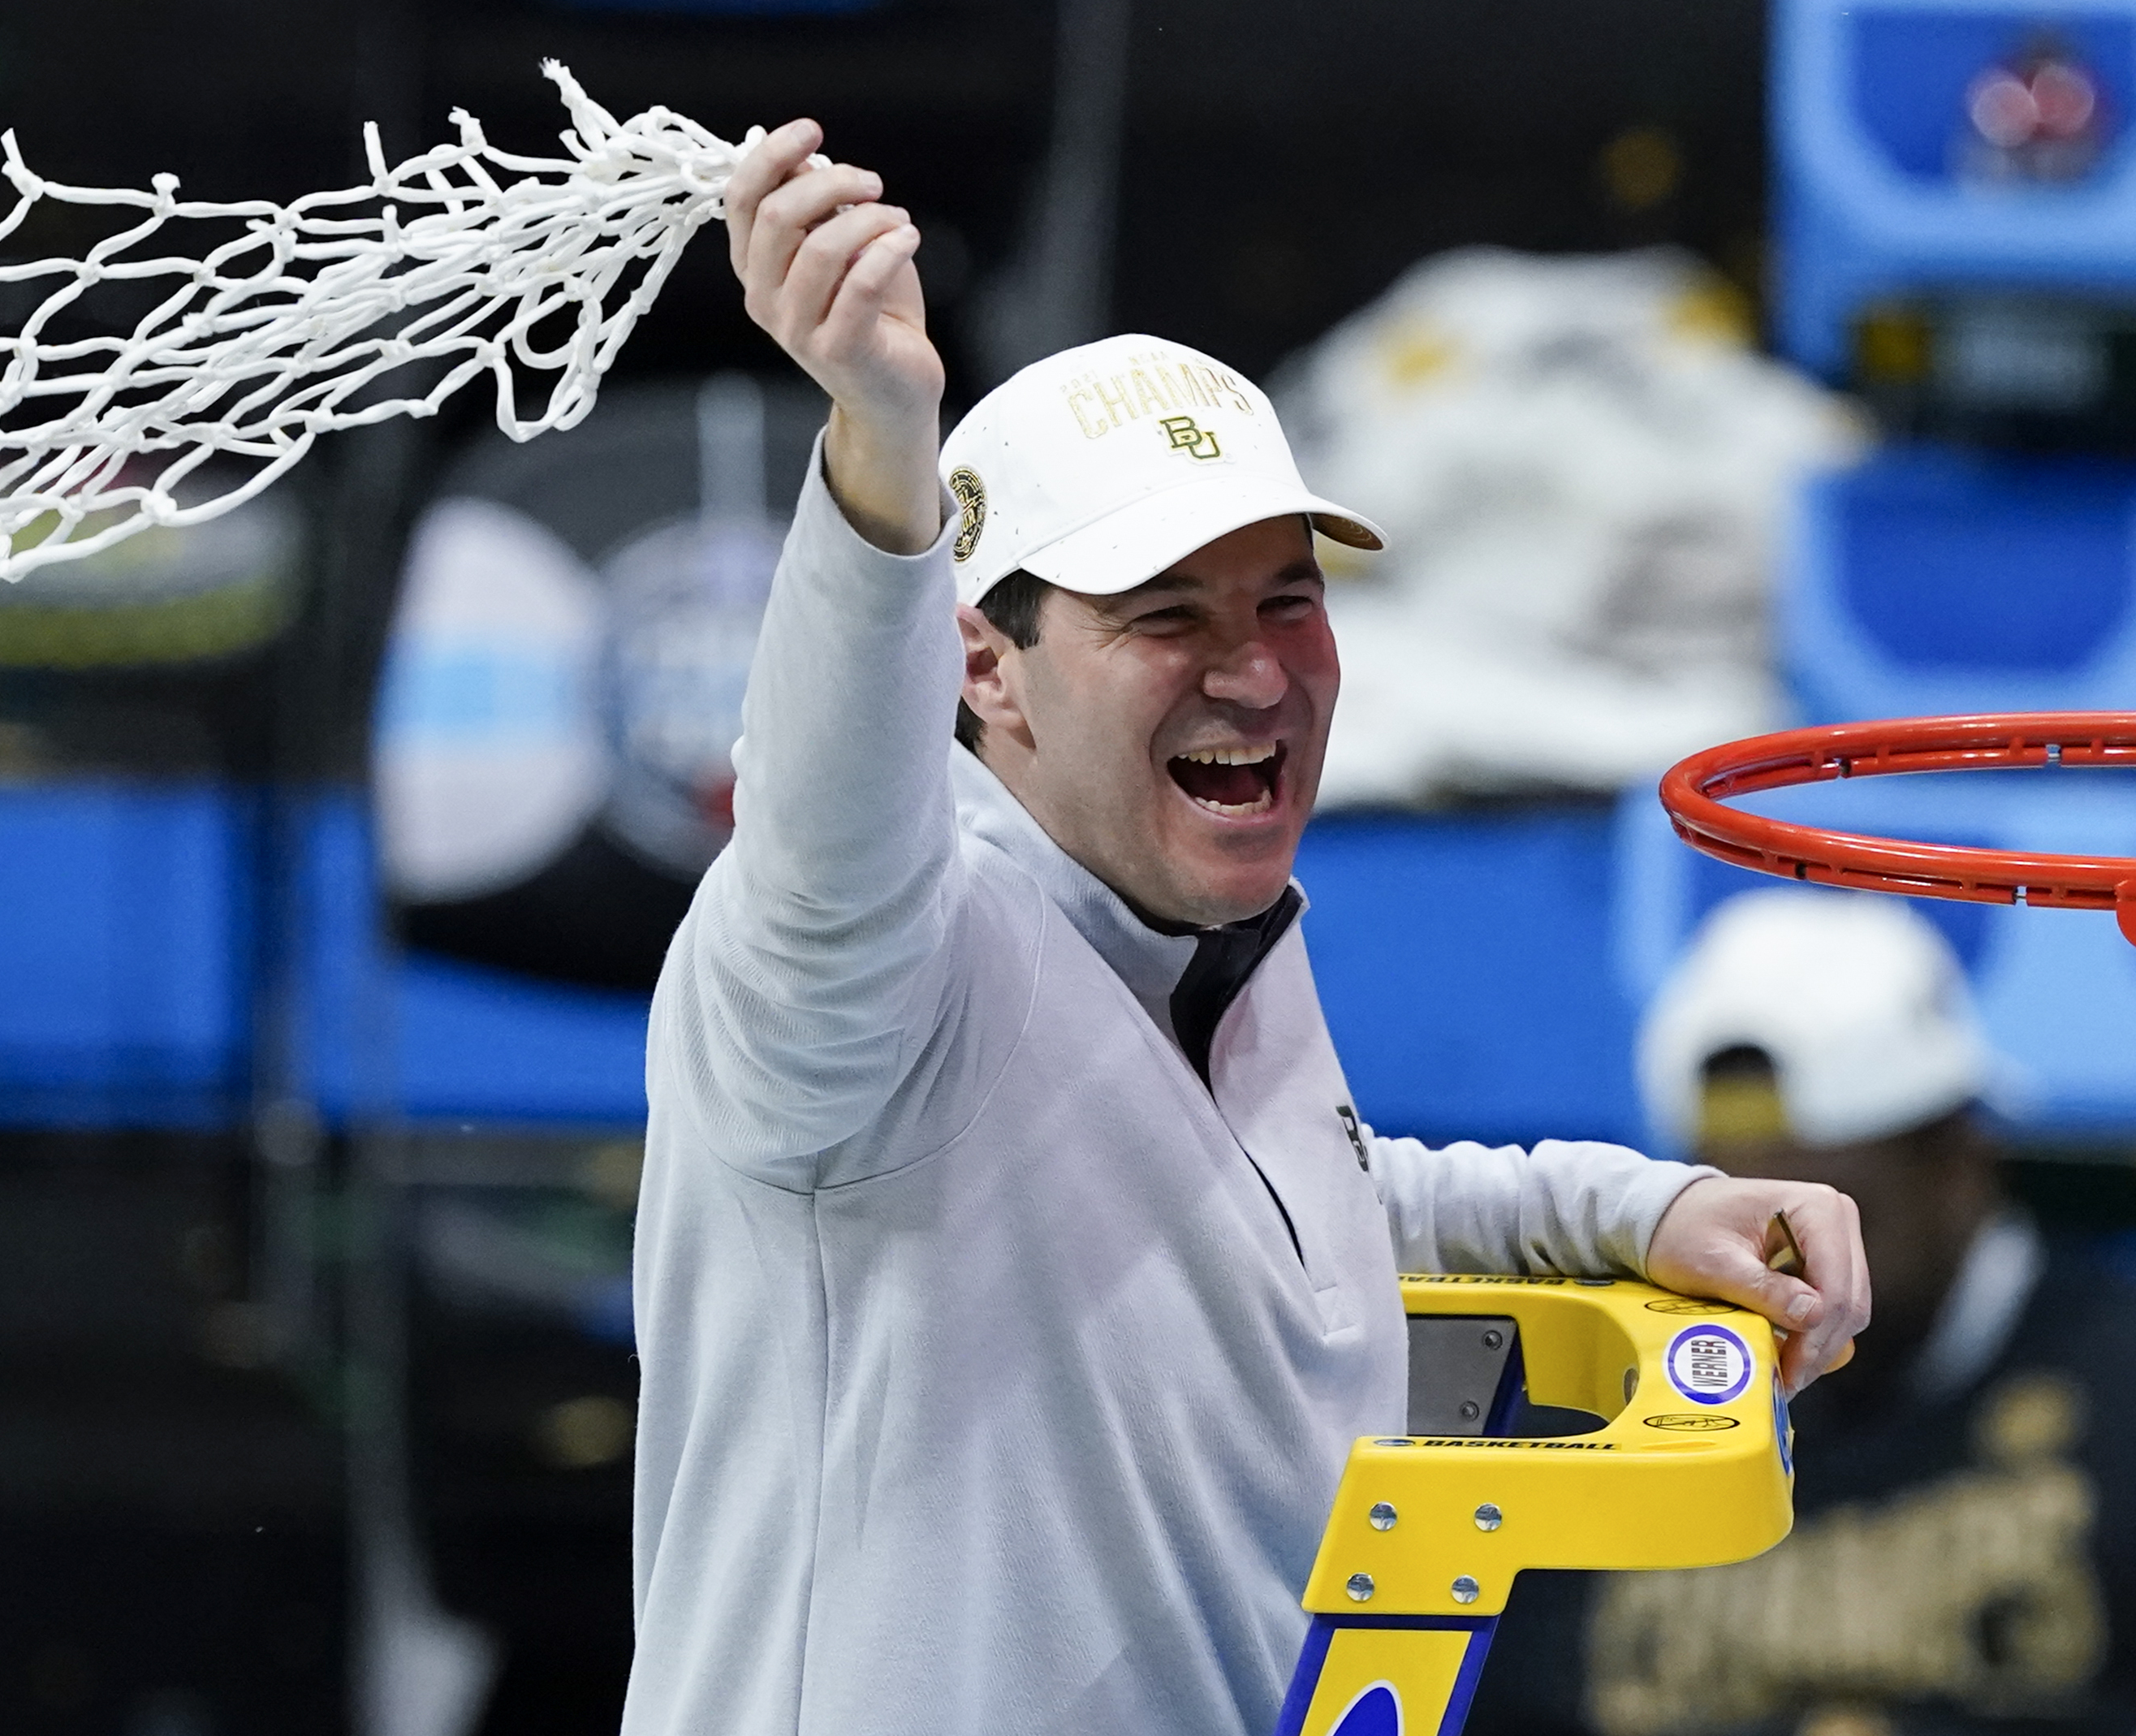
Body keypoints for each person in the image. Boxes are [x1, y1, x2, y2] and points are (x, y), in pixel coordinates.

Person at [619, 123, 1874, 1736]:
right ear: (980, 668)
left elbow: (1302, 1225)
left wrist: (1642, 1207)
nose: (1258, 669)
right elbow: (818, 823)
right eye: (1165, 616)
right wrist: (878, 453)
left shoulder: (1201, 958)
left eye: (1286, 598)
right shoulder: (869, 983)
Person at [1464, 890, 2136, 1736]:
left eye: (1815, 1218)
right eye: (1721, 1212)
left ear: (1958, 1158)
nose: (1760, 1271)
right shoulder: (1586, 1419)